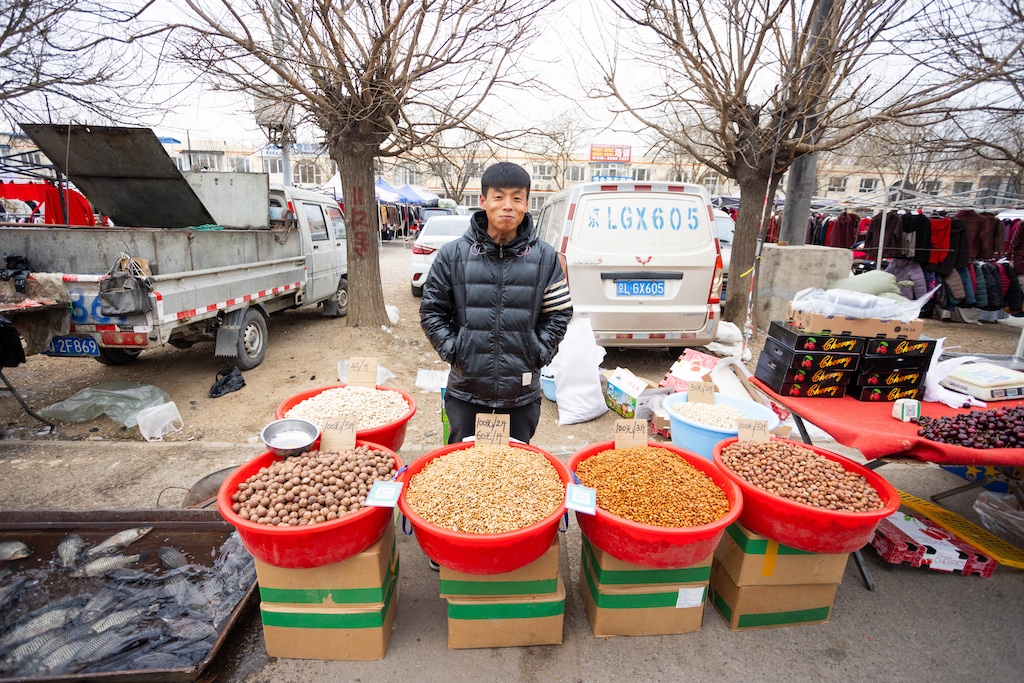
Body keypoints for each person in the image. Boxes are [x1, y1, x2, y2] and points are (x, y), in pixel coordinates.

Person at [420, 162, 572, 445]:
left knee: (514, 472)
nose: (507, 206)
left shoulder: (545, 258)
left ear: (527, 204)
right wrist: (456, 351)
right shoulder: (452, 255)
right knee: (462, 467)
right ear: (483, 201)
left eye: (517, 198)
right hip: (467, 389)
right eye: (498, 197)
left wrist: (537, 352)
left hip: (521, 392)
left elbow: (559, 313)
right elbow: (432, 312)